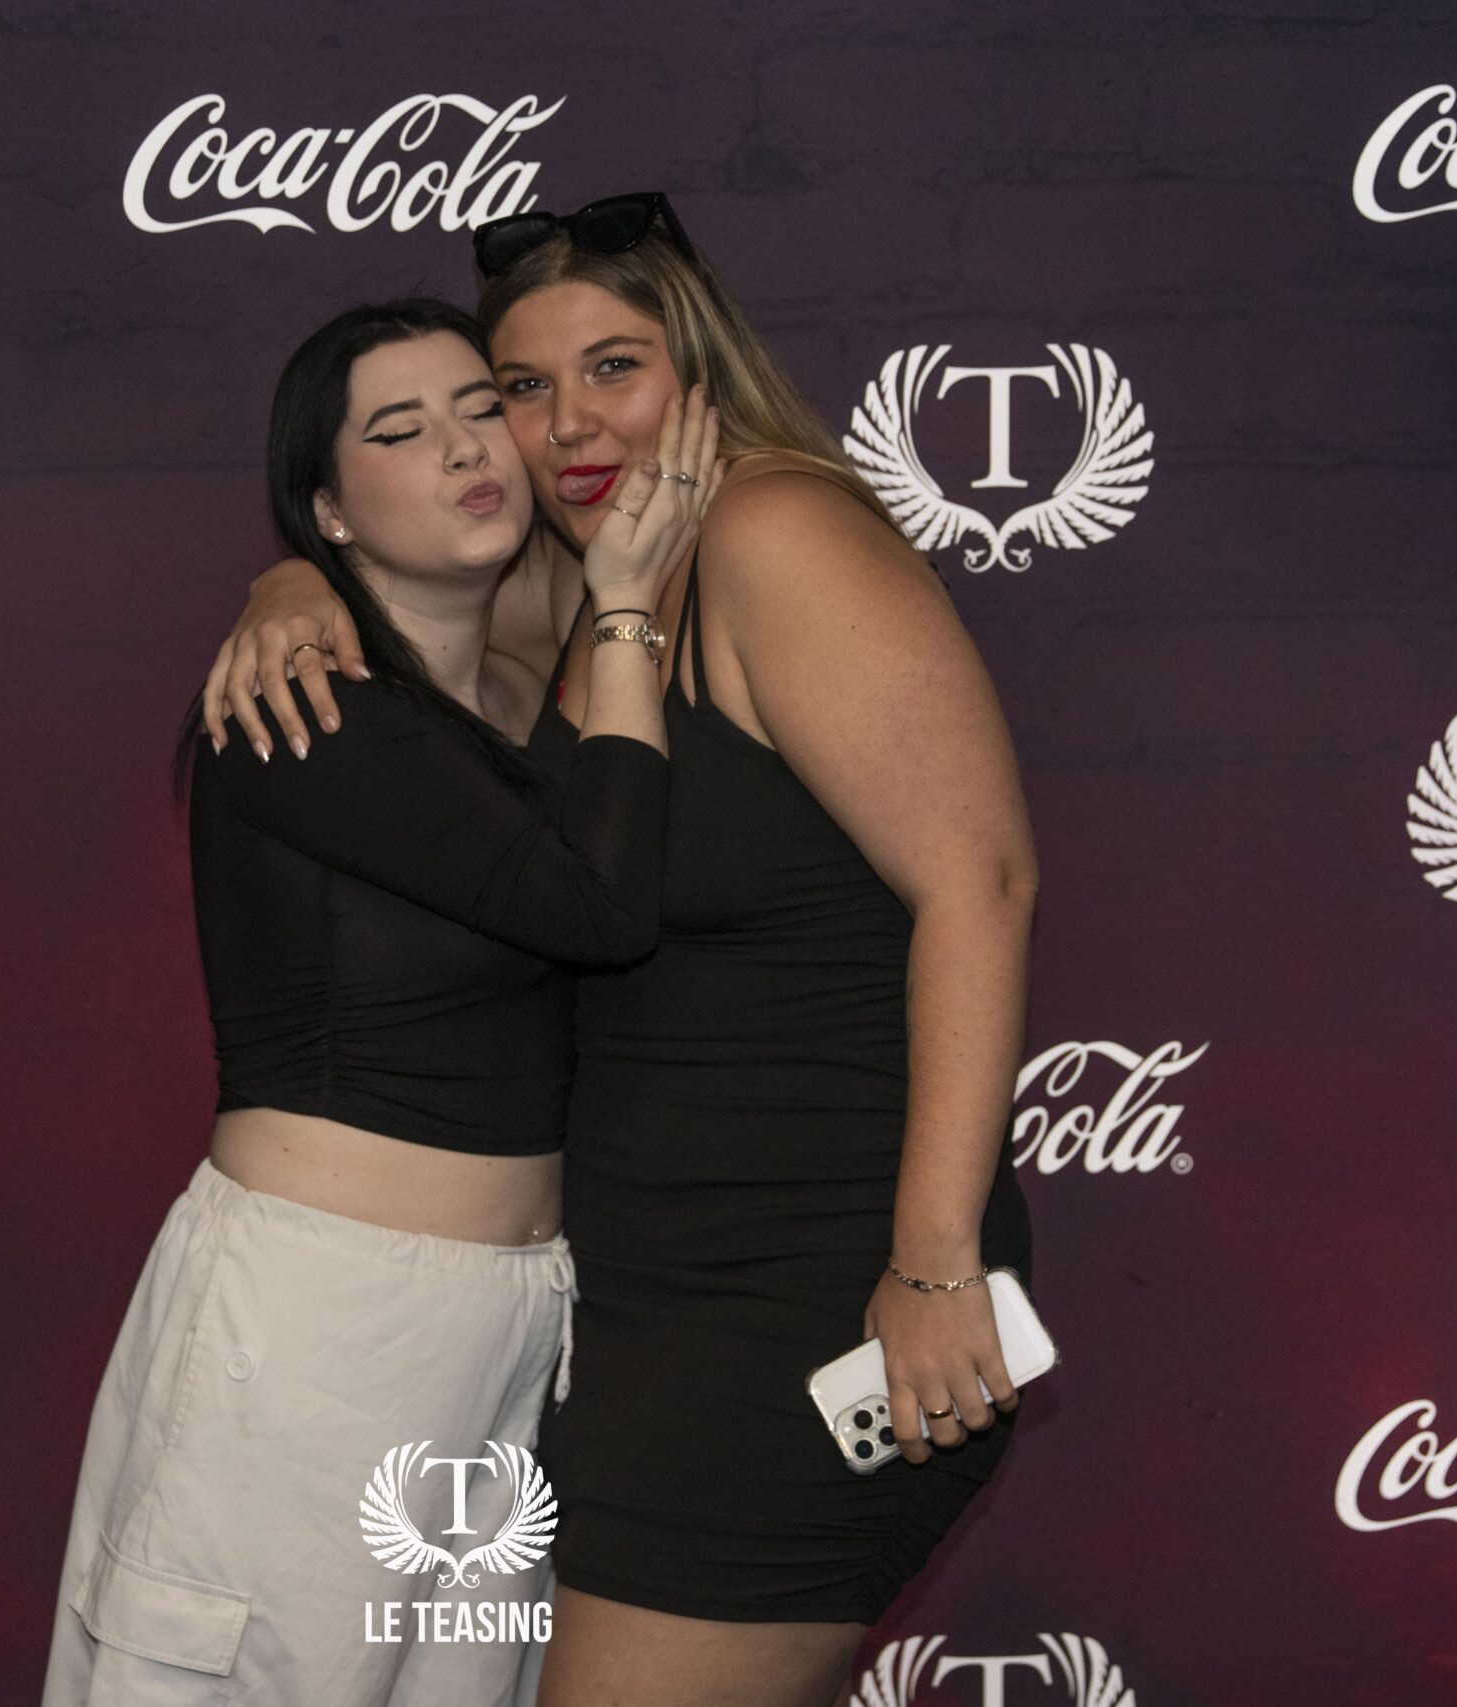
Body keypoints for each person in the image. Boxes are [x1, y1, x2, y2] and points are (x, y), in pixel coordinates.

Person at [200, 197, 1038, 1707]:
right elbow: (410, 583)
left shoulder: (772, 533)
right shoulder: (602, 578)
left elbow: (980, 885)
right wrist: (297, 580)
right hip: (637, 1306)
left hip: (813, 1285)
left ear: (700, 371)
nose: (569, 423)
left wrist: (930, 1264)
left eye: (615, 368)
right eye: (523, 388)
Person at [45, 296, 722, 1707]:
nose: (468, 449)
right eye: (401, 433)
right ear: (330, 510)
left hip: (510, 1321)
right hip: (321, 1315)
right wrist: (622, 605)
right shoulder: (312, 706)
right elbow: (604, 910)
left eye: (482, 409)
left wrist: (290, 580)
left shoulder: (514, 706)